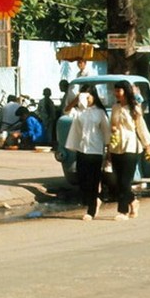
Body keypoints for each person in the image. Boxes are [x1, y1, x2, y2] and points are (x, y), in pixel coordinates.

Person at [108, 79, 150, 220]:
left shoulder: (135, 108)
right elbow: (112, 126)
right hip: (116, 147)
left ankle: (122, 211)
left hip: (131, 146)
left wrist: (148, 148)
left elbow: (141, 128)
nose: (116, 93)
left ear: (125, 91)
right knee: (117, 180)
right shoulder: (115, 108)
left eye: (119, 91)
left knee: (125, 181)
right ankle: (133, 201)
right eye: (115, 91)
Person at [64, 84, 110, 220]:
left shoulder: (100, 112)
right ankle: (94, 200)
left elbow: (106, 132)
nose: (87, 100)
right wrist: (76, 100)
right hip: (82, 149)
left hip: (95, 150)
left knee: (93, 181)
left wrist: (108, 151)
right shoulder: (79, 111)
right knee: (83, 179)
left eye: (88, 97)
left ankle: (91, 209)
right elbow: (67, 111)